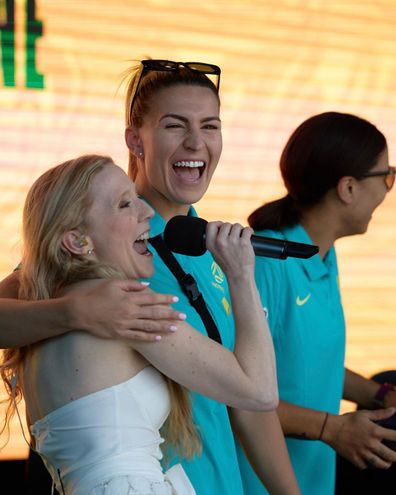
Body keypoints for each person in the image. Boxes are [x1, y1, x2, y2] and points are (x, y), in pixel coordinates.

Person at [0, 60, 300, 494]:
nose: (196, 141)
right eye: (175, 126)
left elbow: (249, 404)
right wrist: (76, 312)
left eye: (210, 126)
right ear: (135, 140)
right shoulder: (100, 248)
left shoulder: (210, 248)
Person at [237, 111, 396, 495]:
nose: (388, 188)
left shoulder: (322, 256)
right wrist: (333, 428)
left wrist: (379, 395)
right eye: (386, 176)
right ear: (348, 188)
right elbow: (234, 397)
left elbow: (305, 363)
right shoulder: (265, 265)